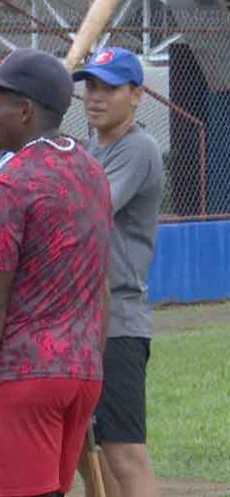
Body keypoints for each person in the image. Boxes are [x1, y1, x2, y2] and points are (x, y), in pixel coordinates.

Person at [0, 48, 112, 497]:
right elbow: (100, 288)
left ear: (24, 110)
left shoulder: (8, 184)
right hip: (82, 373)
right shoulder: (92, 172)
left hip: (25, 378)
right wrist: (89, 365)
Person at [73, 47, 164, 497]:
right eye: (90, 85)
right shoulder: (88, 151)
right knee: (84, 451)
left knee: (124, 453)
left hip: (118, 321)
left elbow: (87, 211)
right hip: (78, 319)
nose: (95, 96)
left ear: (137, 94)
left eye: (109, 87)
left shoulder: (138, 149)